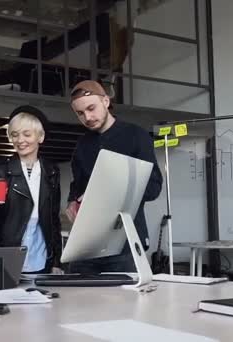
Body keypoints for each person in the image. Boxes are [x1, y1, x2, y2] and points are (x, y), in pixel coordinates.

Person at [66, 80, 163, 273]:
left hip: (126, 244)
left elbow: (153, 187)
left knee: (127, 303)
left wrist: (107, 192)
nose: (88, 117)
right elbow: (78, 186)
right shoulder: (82, 145)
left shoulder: (137, 135)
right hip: (88, 245)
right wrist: (71, 203)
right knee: (77, 301)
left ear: (106, 101)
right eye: (80, 113)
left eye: (91, 108)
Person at [0, 106, 63, 274]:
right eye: (15, 134)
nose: (20, 140)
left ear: (40, 137)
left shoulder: (51, 171)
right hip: (7, 256)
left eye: (27, 134)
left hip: (41, 258)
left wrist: (56, 261)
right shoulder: (0, 169)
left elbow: (53, 219)